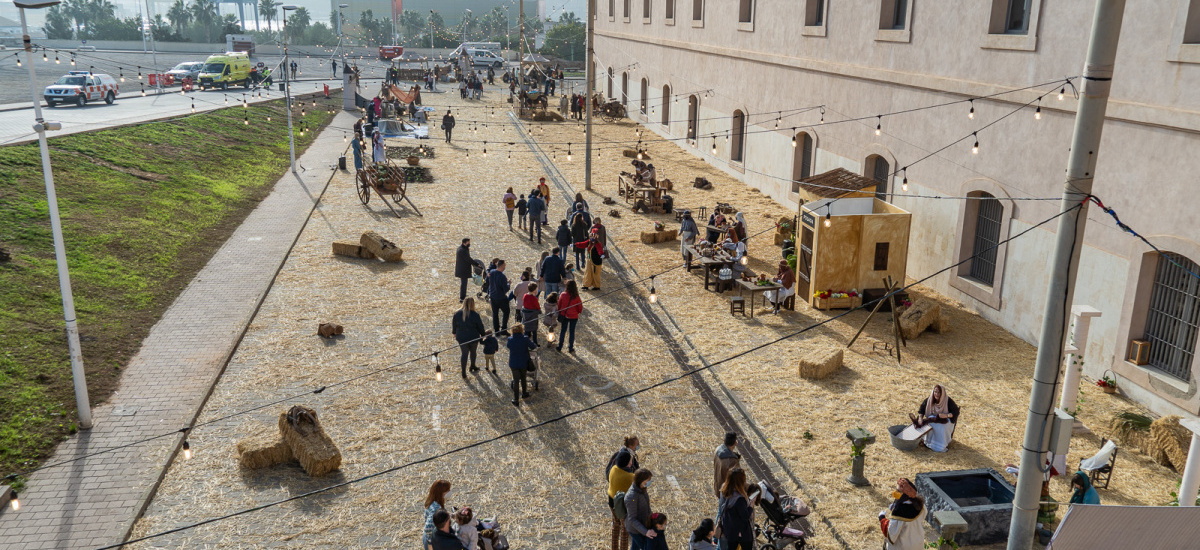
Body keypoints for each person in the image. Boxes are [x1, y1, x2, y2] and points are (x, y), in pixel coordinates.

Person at [908, 384, 959, 452]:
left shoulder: (947, 400)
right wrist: (920, 418)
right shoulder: (930, 399)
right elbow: (921, 410)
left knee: (942, 427)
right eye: (935, 392)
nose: (937, 394)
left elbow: (956, 412)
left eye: (939, 392)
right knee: (929, 424)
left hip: (946, 420)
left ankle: (939, 446)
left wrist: (946, 415)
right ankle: (928, 442)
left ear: (942, 393)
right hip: (933, 418)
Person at [878, 478, 926, 550]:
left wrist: (882, 519)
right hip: (918, 543)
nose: (895, 493)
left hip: (902, 547)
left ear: (905, 495)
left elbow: (891, 535)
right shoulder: (920, 504)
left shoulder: (899, 512)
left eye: (898, 491)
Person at [607, 440, 637, 550]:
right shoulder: (630, 477)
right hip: (623, 505)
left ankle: (614, 547)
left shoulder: (613, 469)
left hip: (611, 501)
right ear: (626, 463)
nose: (631, 462)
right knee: (625, 530)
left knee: (615, 525)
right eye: (630, 461)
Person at [718, 468, 755, 550]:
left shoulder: (724, 489)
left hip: (728, 528)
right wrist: (751, 505)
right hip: (740, 532)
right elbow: (745, 516)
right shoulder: (739, 499)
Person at [451, 298, 486, 377]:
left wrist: (454, 333)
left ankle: (463, 372)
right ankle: (472, 366)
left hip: (462, 337)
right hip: (473, 337)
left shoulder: (457, 314)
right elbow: (480, 326)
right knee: (473, 352)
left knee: (464, 354)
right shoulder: (475, 315)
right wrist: (483, 334)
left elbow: (454, 325)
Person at [624, 468, 657, 550]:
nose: (650, 482)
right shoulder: (632, 497)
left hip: (642, 525)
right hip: (636, 530)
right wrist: (646, 532)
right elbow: (632, 519)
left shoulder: (642, 489)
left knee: (635, 547)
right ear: (641, 480)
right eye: (648, 480)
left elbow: (646, 507)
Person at [507, 323, 537, 406]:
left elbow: (508, 346)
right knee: (523, 378)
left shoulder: (510, 339)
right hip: (523, 362)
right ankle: (524, 393)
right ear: (521, 330)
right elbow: (533, 347)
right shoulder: (525, 339)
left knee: (516, 381)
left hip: (513, 363)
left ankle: (516, 400)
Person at [714, 432, 741, 519]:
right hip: (727, 491)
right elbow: (737, 478)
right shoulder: (732, 461)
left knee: (720, 510)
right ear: (735, 443)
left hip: (718, 485)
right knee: (721, 513)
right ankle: (718, 531)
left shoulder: (717, 450)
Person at [422, 480, 452, 550]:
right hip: (433, 541)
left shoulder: (432, 501)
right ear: (441, 493)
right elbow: (428, 529)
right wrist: (430, 544)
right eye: (447, 490)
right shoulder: (436, 509)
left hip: (428, 537)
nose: (450, 492)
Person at [556, 280, 583, 353]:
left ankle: (560, 346)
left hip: (564, 315)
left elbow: (559, 305)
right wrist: (578, 312)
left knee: (563, 331)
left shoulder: (563, 294)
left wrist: (560, 311)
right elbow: (580, 307)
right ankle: (570, 348)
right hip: (573, 316)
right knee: (572, 332)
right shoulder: (576, 297)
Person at [487, 260, 511, 335]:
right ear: (501, 266)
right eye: (504, 266)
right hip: (501, 298)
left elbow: (488, 277)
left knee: (495, 314)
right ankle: (503, 329)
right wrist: (509, 283)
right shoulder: (502, 276)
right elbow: (506, 289)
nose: (505, 267)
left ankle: (496, 331)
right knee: (506, 312)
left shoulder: (491, 272)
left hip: (493, 297)